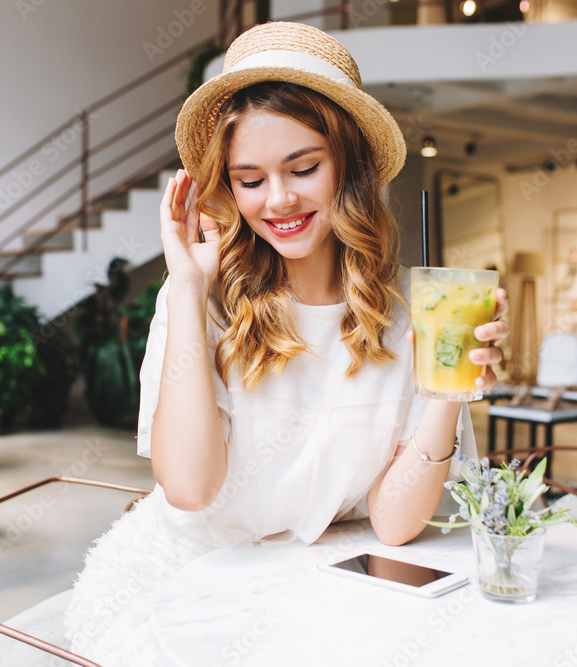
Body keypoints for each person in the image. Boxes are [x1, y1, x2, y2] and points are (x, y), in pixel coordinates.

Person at [63, 21, 509, 665]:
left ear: (349, 166)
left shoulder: (415, 311)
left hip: (328, 583)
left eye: (303, 168)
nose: (278, 200)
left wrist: (447, 390)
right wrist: (187, 288)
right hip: (192, 583)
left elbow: (395, 523)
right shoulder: (202, 300)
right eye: (249, 180)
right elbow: (189, 487)